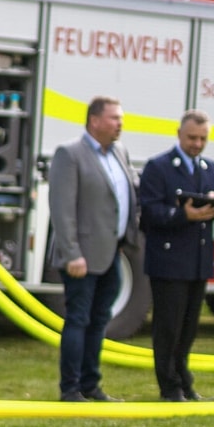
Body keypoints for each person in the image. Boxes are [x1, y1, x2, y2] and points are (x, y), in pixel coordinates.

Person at [47, 95, 140, 402]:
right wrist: (72, 253)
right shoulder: (69, 154)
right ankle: (70, 387)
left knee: (100, 320)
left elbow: (121, 198)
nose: (120, 125)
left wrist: (124, 239)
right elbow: (62, 210)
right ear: (95, 120)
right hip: (82, 257)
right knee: (79, 319)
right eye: (115, 119)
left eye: (121, 119)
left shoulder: (120, 153)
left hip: (112, 252)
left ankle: (91, 384)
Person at [139, 111, 214, 401]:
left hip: (197, 261)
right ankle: (169, 387)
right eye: (192, 137)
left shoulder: (209, 168)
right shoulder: (159, 167)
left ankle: (185, 383)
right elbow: (149, 213)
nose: (197, 144)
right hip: (169, 263)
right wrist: (184, 215)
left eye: (203, 138)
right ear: (179, 134)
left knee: (189, 329)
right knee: (168, 328)